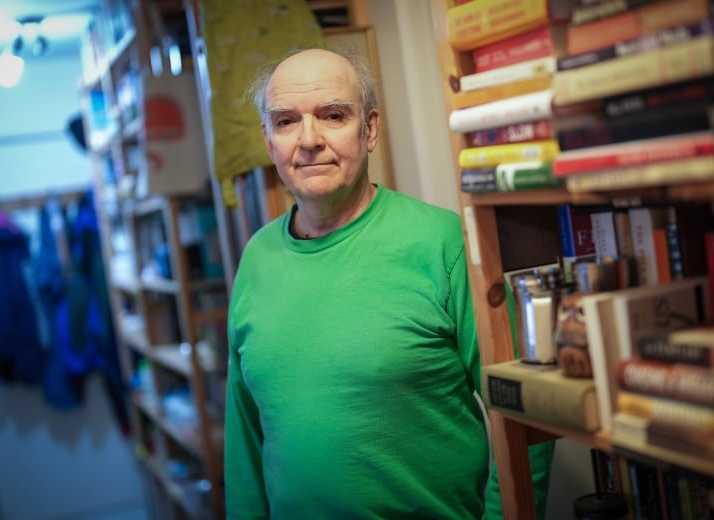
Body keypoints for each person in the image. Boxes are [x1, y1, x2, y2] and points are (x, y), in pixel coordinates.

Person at [225, 46, 553, 519]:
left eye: (333, 115)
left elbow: (524, 414)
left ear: (370, 129)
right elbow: (244, 436)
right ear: (268, 138)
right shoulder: (256, 257)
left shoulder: (445, 243)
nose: (309, 139)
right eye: (286, 121)